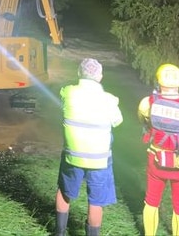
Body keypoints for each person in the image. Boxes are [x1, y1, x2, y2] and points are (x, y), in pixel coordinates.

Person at [55, 58, 123, 236]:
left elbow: (62, 107)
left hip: (72, 155)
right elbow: (117, 121)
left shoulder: (67, 92)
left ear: (79, 73)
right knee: (96, 200)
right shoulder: (109, 100)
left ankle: (59, 232)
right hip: (99, 159)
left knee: (64, 190)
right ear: (100, 77)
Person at [138, 63, 179, 236]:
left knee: (151, 202)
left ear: (159, 82)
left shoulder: (148, 102)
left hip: (156, 159)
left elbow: (143, 119)